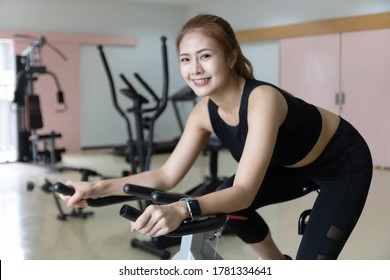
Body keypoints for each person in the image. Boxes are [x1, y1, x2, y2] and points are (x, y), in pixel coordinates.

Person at [61, 14, 372, 260]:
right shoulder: (202, 112)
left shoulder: (263, 99)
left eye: (205, 56)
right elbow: (165, 175)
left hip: (341, 165)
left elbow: (245, 192)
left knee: (238, 201)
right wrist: (96, 187)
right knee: (225, 199)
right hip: (291, 165)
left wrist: (184, 208)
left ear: (231, 57)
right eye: (185, 59)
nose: (194, 69)